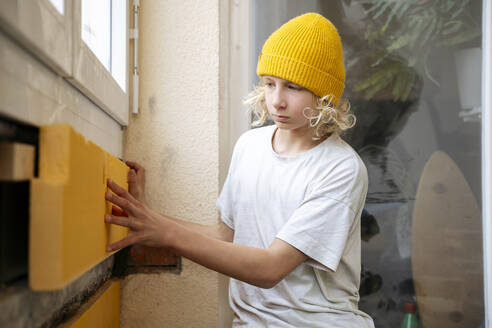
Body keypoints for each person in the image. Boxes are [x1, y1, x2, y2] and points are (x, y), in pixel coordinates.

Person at [105, 12, 375, 328]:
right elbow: (227, 237)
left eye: (293, 87)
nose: (277, 101)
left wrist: (165, 232)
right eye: (269, 83)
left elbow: (270, 269)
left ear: (324, 95)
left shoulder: (341, 169)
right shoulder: (250, 145)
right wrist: (147, 218)